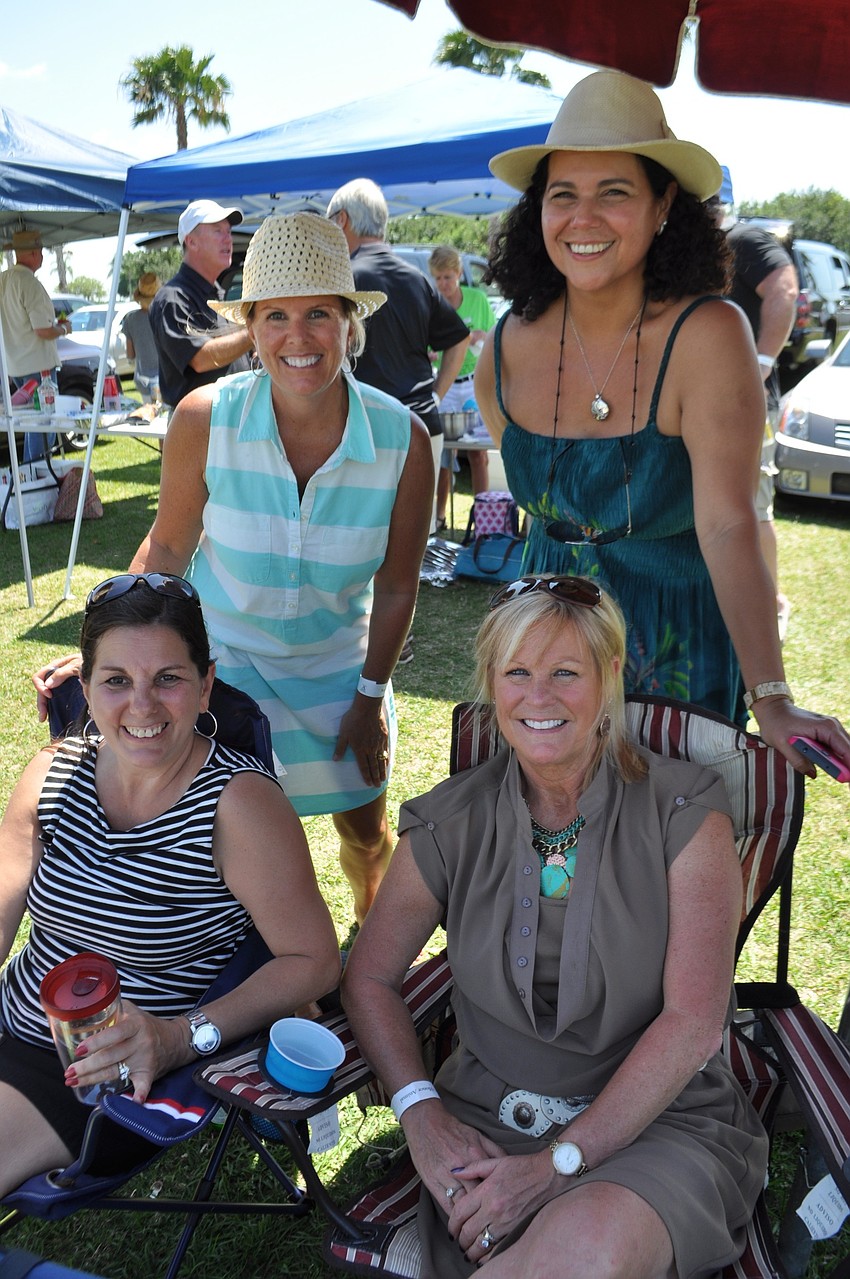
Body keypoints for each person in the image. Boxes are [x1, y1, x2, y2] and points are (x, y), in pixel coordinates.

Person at [343, 575, 769, 1278]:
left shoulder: (685, 812)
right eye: (517, 672)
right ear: (492, 683)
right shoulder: (450, 822)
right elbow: (369, 978)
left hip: (655, 1122)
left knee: (589, 1250)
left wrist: (558, 1164)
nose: (538, 697)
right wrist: (420, 1113)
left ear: (609, 675)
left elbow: (693, 1022)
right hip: (487, 1126)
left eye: (565, 672)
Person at [36, 212, 433, 926]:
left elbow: (399, 584)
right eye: (275, 315)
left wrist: (370, 697)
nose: (297, 337)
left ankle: (365, 931)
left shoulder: (404, 439)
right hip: (225, 674)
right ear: (249, 326)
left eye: (318, 313)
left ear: (349, 322)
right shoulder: (204, 418)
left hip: (343, 678)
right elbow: (166, 552)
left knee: (365, 836)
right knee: (225, 845)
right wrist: (104, 651)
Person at [475, 69, 850, 773]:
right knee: (546, 842)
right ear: (538, 211)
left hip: (676, 659)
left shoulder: (708, 335)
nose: (583, 218)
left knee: (675, 838)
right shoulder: (502, 351)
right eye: (563, 194)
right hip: (541, 671)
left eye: (614, 192)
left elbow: (729, 525)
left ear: (663, 205)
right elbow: (546, 518)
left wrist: (772, 699)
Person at [0, 572, 340, 1198]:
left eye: (168, 679)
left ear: (206, 684)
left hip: (102, 1078)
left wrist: (179, 1037)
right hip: (10, 1017)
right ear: (86, 687)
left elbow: (315, 962)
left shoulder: (240, 806)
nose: (142, 706)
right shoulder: (52, 773)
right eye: (116, 681)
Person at [327, 179, 470, 532]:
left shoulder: (343, 279)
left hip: (365, 430)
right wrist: (435, 395)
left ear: (342, 220)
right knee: (415, 543)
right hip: (421, 424)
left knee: (360, 542)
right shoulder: (417, 278)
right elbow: (459, 339)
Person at [709, 172, 798, 640]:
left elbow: (785, 288)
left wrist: (761, 362)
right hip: (706, 402)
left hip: (748, 403)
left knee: (753, 506)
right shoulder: (692, 251)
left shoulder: (742, 238)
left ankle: (771, 604)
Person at [148, 199, 254, 410]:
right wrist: (257, 331)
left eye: (228, 231)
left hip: (228, 416)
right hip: (200, 422)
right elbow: (201, 359)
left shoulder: (215, 293)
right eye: (218, 231)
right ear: (192, 242)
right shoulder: (172, 299)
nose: (228, 238)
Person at [428, 246, 497, 529]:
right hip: (444, 384)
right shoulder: (432, 304)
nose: (443, 284)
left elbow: (495, 337)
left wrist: (483, 335)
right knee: (443, 453)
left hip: (473, 384)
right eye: (437, 278)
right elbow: (425, 346)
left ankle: (484, 521)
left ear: (458, 274)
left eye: (447, 277)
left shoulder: (477, 299)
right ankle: (439, 517)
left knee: (478, 453)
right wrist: (429, 353)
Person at [0, 228, 69, 462]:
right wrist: (64, 329)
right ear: (32, 253)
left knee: (33, 423)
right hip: (38, 367)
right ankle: (37, 475)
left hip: (15, 365)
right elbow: (42, 331)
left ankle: (30, 474)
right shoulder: (29, 283)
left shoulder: (4, 279)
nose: (41, 255)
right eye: (40, 251)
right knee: (44, 425)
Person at [121, 271, 162, 404]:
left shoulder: (130, 319)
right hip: (163, 377)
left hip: (142, 377)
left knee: (147, 412)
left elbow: (130, 355)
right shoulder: (164, 316)